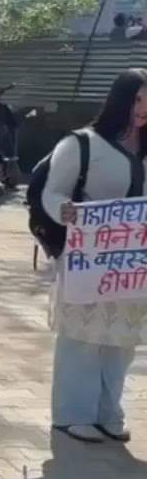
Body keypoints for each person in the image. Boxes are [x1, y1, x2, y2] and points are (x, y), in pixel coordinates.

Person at [44, 68, 147, 444]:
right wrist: (65, 211)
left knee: (121, 338)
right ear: (120, 100)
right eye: (137, 98)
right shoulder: (82, 144)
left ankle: (109, 411)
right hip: (89, 257)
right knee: (82, 337)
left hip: (133, 264)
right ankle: (73, 413)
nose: (144, 107)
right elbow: (52, 193)